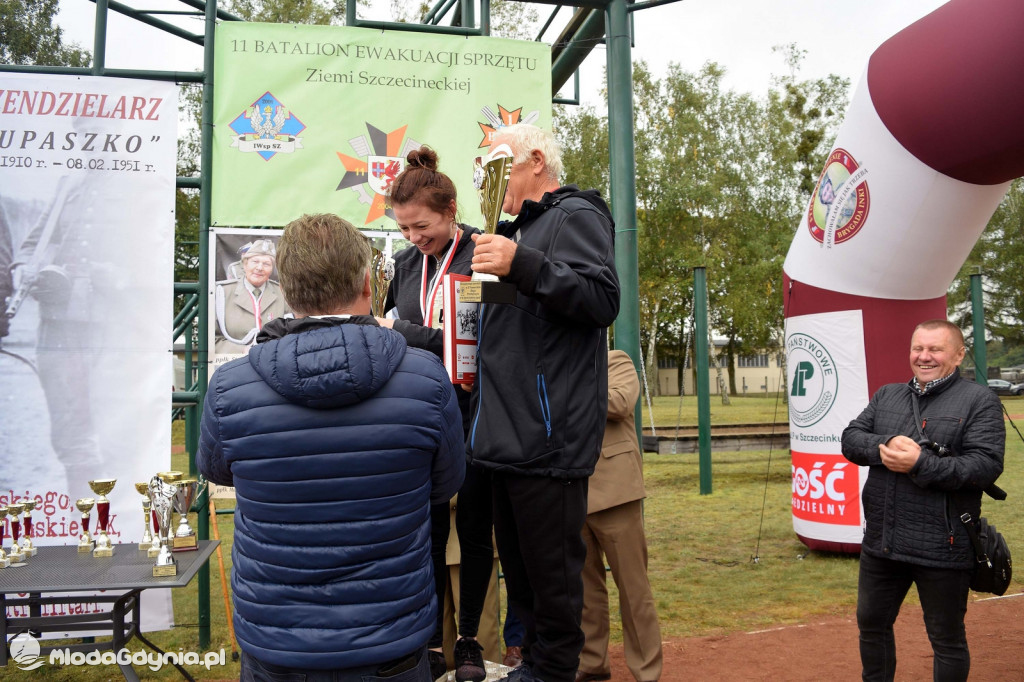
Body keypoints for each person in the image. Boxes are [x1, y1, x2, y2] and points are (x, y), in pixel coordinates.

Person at [197, 213, 465, 682]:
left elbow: (219, 470)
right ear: (368, 283)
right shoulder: (425, 378)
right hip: (388, 638)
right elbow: (443, 483)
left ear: (289, 289)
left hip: (281, 638)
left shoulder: (230, 387)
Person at [468, 123, 620, 682]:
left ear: (534, 161)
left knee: (555, 597)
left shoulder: (576, 214)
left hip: (546, 441)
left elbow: (602, 298)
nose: (489, 176)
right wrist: (485, 290)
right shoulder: (519, 231)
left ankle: (548, 669)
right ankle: (532, 667)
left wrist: (520, 265)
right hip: (503, 439)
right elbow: (533, 316)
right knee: (526, 588)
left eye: (497, 163)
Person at [376, 146, 493, 682]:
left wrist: (399, 333)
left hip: (477, 409)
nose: (413, 239)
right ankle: (425, 643)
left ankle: (468, 638)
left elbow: (477, 341)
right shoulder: (403, 266)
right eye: (403, 229)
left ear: (449, 210)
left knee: (472, 527)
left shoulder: (482, 253)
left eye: (421, 226)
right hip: (421, 410)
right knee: (419, 530)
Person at [841, 319, 1005, 682]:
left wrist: (921, 463)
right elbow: (851, 438)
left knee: (946, 640)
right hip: (882, 543)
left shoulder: (980, 400)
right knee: (871, 627)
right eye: (918, 348)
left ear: (959, 354)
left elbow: (986, 466)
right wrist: (886, 445)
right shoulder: (888, 394)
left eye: (935, 349)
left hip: (943, 547)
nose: (924, 356)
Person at [576, 350, 662, 682]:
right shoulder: (554, 363)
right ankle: (592, 662)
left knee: (633, 588)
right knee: (585, 590)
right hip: (572, 491)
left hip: (616, 492)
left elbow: (620, 402)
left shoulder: (615, 360)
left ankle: (647, 671)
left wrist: (566, 385)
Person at [214, 238, 289, 355]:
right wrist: (242, 350)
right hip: (234, 364)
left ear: (272, 269)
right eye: (255, 262)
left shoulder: (283, 294)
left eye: (266, 264)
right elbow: (212, 339)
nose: (259, 268)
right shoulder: (222, 293)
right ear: (244, 264)